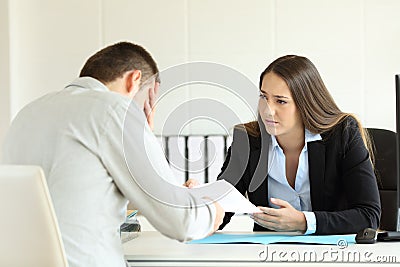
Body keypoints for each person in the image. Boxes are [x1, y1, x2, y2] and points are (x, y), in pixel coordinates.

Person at [2, 42, 224, 267]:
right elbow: (182, 223)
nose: (148, 109)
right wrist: (212, 209)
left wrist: (168, 192)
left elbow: (74, 198)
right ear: (134, 80)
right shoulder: (115, 109)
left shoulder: (28, 113)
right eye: (149, 100)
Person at [216, 55, 381, 235]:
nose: (267, 110)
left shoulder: (343, 134)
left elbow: (368, 215)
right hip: (266, 256)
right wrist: (197, 205)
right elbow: (222, 209)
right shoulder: (247, 140)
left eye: (281, 101)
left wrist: (304, 222)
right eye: (264, 97)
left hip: (333, 254)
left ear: (306, 103)